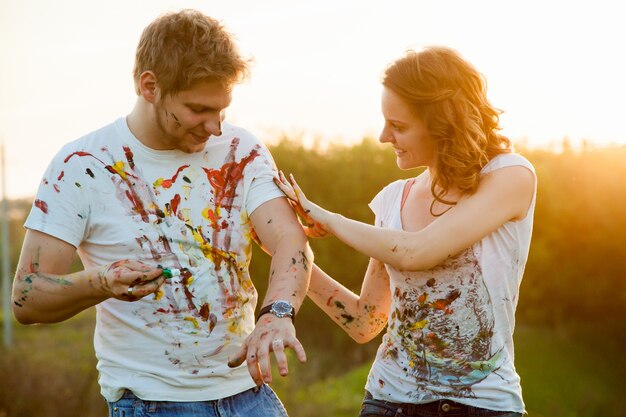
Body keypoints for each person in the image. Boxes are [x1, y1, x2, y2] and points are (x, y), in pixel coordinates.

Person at [12, 9, 312, 417]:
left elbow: (290, 240)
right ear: (149, 86)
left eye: (221, 111)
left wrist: (278, 313)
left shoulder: (242, 151)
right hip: (152, 404)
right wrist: (102, 281)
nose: (215, 128)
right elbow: (28, 298)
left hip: (252, 398)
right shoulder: (81, 164)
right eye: (198, 110)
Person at [276, 46, 535, 417]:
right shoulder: (392, 200)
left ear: (443, 123)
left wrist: (329, 219)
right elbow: (366, 321)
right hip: (388, 403)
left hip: (483, 407)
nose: (384, 136)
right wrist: (296, 257)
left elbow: (417, 251)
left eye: (398, 126)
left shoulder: (510, 176)